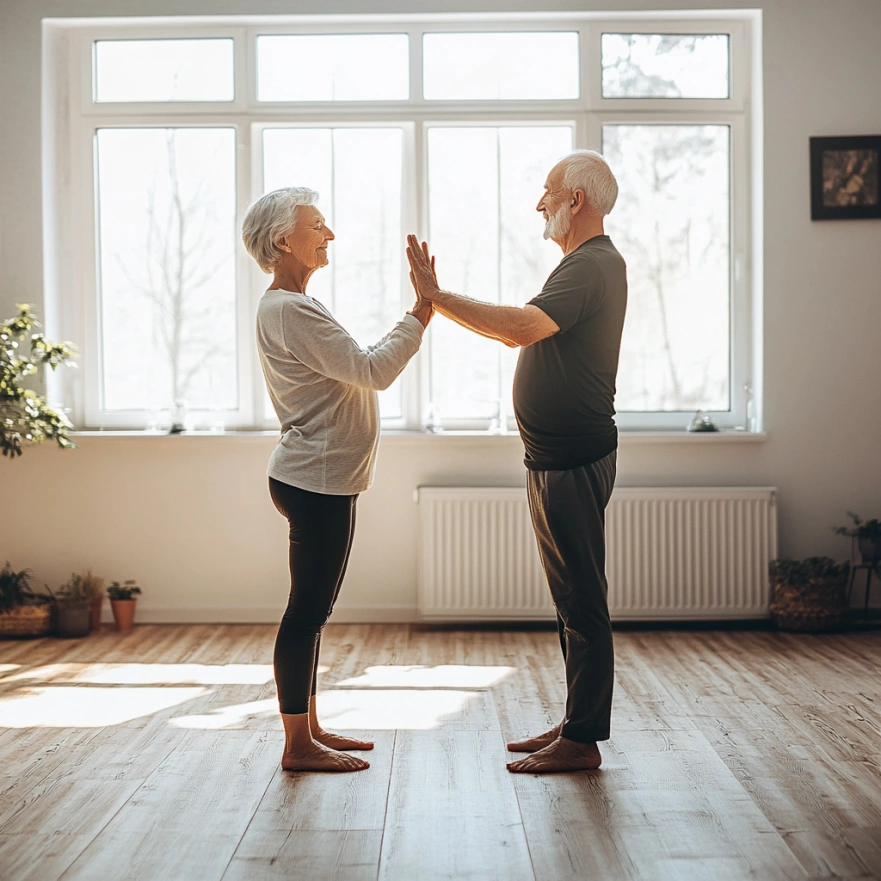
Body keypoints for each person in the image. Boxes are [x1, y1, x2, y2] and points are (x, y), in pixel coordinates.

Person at [406, 149, 627, 773]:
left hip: (572, 459)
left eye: (548, 191)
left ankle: (582, 740)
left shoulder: (592, 265)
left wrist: (436, 297)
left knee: (581, 599)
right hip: (555, 458)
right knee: (569, 600)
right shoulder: (583, 265)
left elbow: (519, 329)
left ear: (575, 200)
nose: (540, 203)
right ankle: (576, 721)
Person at [242, 187, 432, 772]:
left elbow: (354, 372)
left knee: (313, 613)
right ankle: (297, 746)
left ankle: (311, 728)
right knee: (306, 614)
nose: (330, 235)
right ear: (283, 240)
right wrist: (422, 310)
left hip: (320, 476)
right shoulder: (290, 309)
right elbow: (373, 371)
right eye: (318, 225)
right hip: (315, 480)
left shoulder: (292, 305)